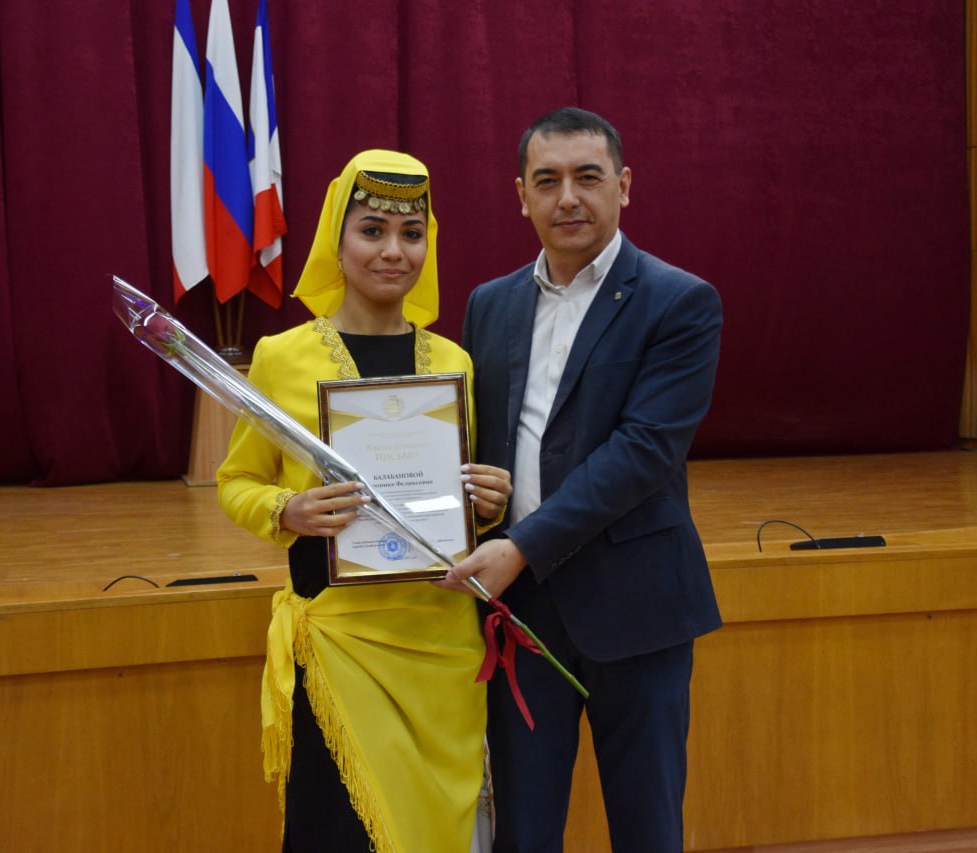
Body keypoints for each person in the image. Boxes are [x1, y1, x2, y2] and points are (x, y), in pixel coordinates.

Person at [217, 149, 512, 853]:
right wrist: (286, 510)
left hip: (441, 642)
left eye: (411, 234)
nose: (393, 251)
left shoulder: (454, 363)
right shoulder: (282, 357)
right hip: (341, 642)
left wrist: (490, 502)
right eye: (372, 230)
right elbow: (237, 480)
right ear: (337, 240)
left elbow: (459, 497)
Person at [445, 107, 723, 851]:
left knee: (647, 827)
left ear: (623, 186)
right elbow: (476, 443)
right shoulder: (489, 304)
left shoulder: (680, 301)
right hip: (523, 613)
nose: (568, 197)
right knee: (524, 829)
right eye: (548, 180)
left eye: (587, 177)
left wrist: (520, 546)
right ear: (522, 196)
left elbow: (642, 453)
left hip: (637, 607)